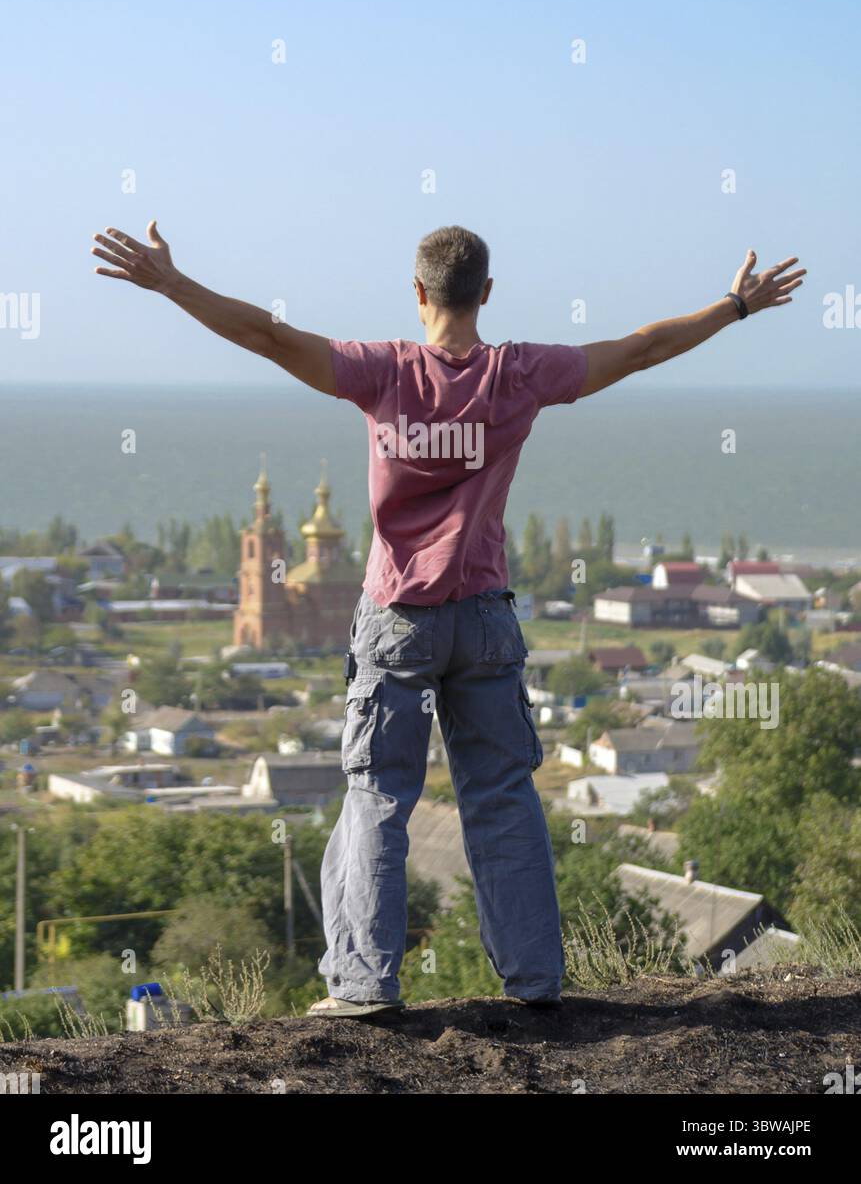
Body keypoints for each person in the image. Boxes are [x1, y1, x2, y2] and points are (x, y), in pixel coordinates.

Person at [91, 221, 805, 1017]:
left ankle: (365, 986)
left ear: (417, 291)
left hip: (398, 616)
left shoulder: (380, 371)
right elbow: (640, 348)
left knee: (377, 795)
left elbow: (267, 334)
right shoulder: (519, 373)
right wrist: (734, 306)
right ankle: (534, 981)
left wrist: (170, 283)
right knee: (502, 794)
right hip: (485, 618)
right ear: (485, 293)